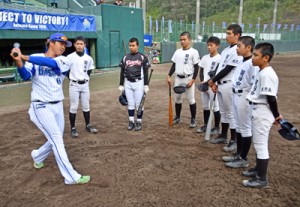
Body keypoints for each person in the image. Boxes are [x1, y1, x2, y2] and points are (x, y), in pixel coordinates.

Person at [10, 33, 90, 184]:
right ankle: (71, 177)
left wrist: (25, 57)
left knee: (56, 137)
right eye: (60, 43)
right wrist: (19, 61)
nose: (62, 47)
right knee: (57, 139)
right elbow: (26, 76)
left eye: (64, 45)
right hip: (41, 105)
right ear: (50, 43)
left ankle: (38, 156)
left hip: (57, 105)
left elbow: (50, 64)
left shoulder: (63, 60)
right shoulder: (35, 57)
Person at [242, 43, 282, 188]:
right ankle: (258, 170)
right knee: (258, 143)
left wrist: (276, 116)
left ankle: (262, 179)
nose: (253, 57)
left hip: (262, 111)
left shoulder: (267, 74)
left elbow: (271, 98)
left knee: (261, 145)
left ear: (266, 58)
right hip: (259, 110)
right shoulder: (262, 71)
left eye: (256, 55)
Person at [222, 36, 259, 168]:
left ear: (248, 47)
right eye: (237, 46)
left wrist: (250, 100)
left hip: (245, 96)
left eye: (239, 46)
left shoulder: (253, 64)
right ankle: (238, 154)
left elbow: (255, 83)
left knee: (245, 128)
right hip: (236, 95)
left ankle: (243, 158)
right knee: (238, 126)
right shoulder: (242, 61)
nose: (237, 48)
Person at [208, 24, 243, 152]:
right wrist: (215, 82)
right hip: (221, 83)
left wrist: (212, 80)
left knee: (230, 113)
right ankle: (223, 135)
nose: (226, 36)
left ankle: (233, 140)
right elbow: (220, 67)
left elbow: (228, 69)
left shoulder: (237, 50)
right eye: (227, 33)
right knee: (223, 112)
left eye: (229, 34)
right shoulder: (226, 50)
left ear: (237, 35)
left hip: (229, 84)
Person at [167, 31, 200, 128]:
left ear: (189, 40)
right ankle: (177, 117)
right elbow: (174, 65)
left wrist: (193, 80)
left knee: (191, 100)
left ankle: (193, 119)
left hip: (188, 78)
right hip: (178, 78)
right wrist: (169, 75)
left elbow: (196, 67)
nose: (182, 41)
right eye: (181, 39)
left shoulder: (194, 52)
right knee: (177, 99)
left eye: (184, 39)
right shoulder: (177, 52)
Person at [67, 36, 98, 138]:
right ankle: (73, 128)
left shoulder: (88, 58)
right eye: (78, 44)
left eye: (81, 44)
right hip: (74, 84)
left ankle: (88, 125)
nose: (79, 46)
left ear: (85, 45)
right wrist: (72, 78)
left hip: (85, 84)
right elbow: (66, 70)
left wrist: (85, 79)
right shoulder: (70, 57)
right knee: (74, 106)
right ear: (74, 45)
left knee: (86, 105)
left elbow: (89, 70)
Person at [118, 37, 151, 131]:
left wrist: (146, 85)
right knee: (130, 103)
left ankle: (139, 121)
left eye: (133, 45)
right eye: (130, 45)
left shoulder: (142, 57)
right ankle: (131, 121)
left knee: (139, 104)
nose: (131, 47)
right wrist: (121, 84)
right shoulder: (125, 57)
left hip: (139, 83)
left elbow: (145, 72)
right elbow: (122, 71)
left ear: (137, 46)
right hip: (128, 82)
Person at [196, 36, 221, 135]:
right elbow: (201, 70)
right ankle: (206, 124)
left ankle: (216, 127)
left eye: (211, 45)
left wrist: (214, 83)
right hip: (205, 85)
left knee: (215, 107)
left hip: (213, 86)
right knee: (205, 106)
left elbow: (220, 73)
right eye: (208, 45)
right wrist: (202, 81)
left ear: (217, 46)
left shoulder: (220, 58)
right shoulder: (205, 57)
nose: (209, 47)